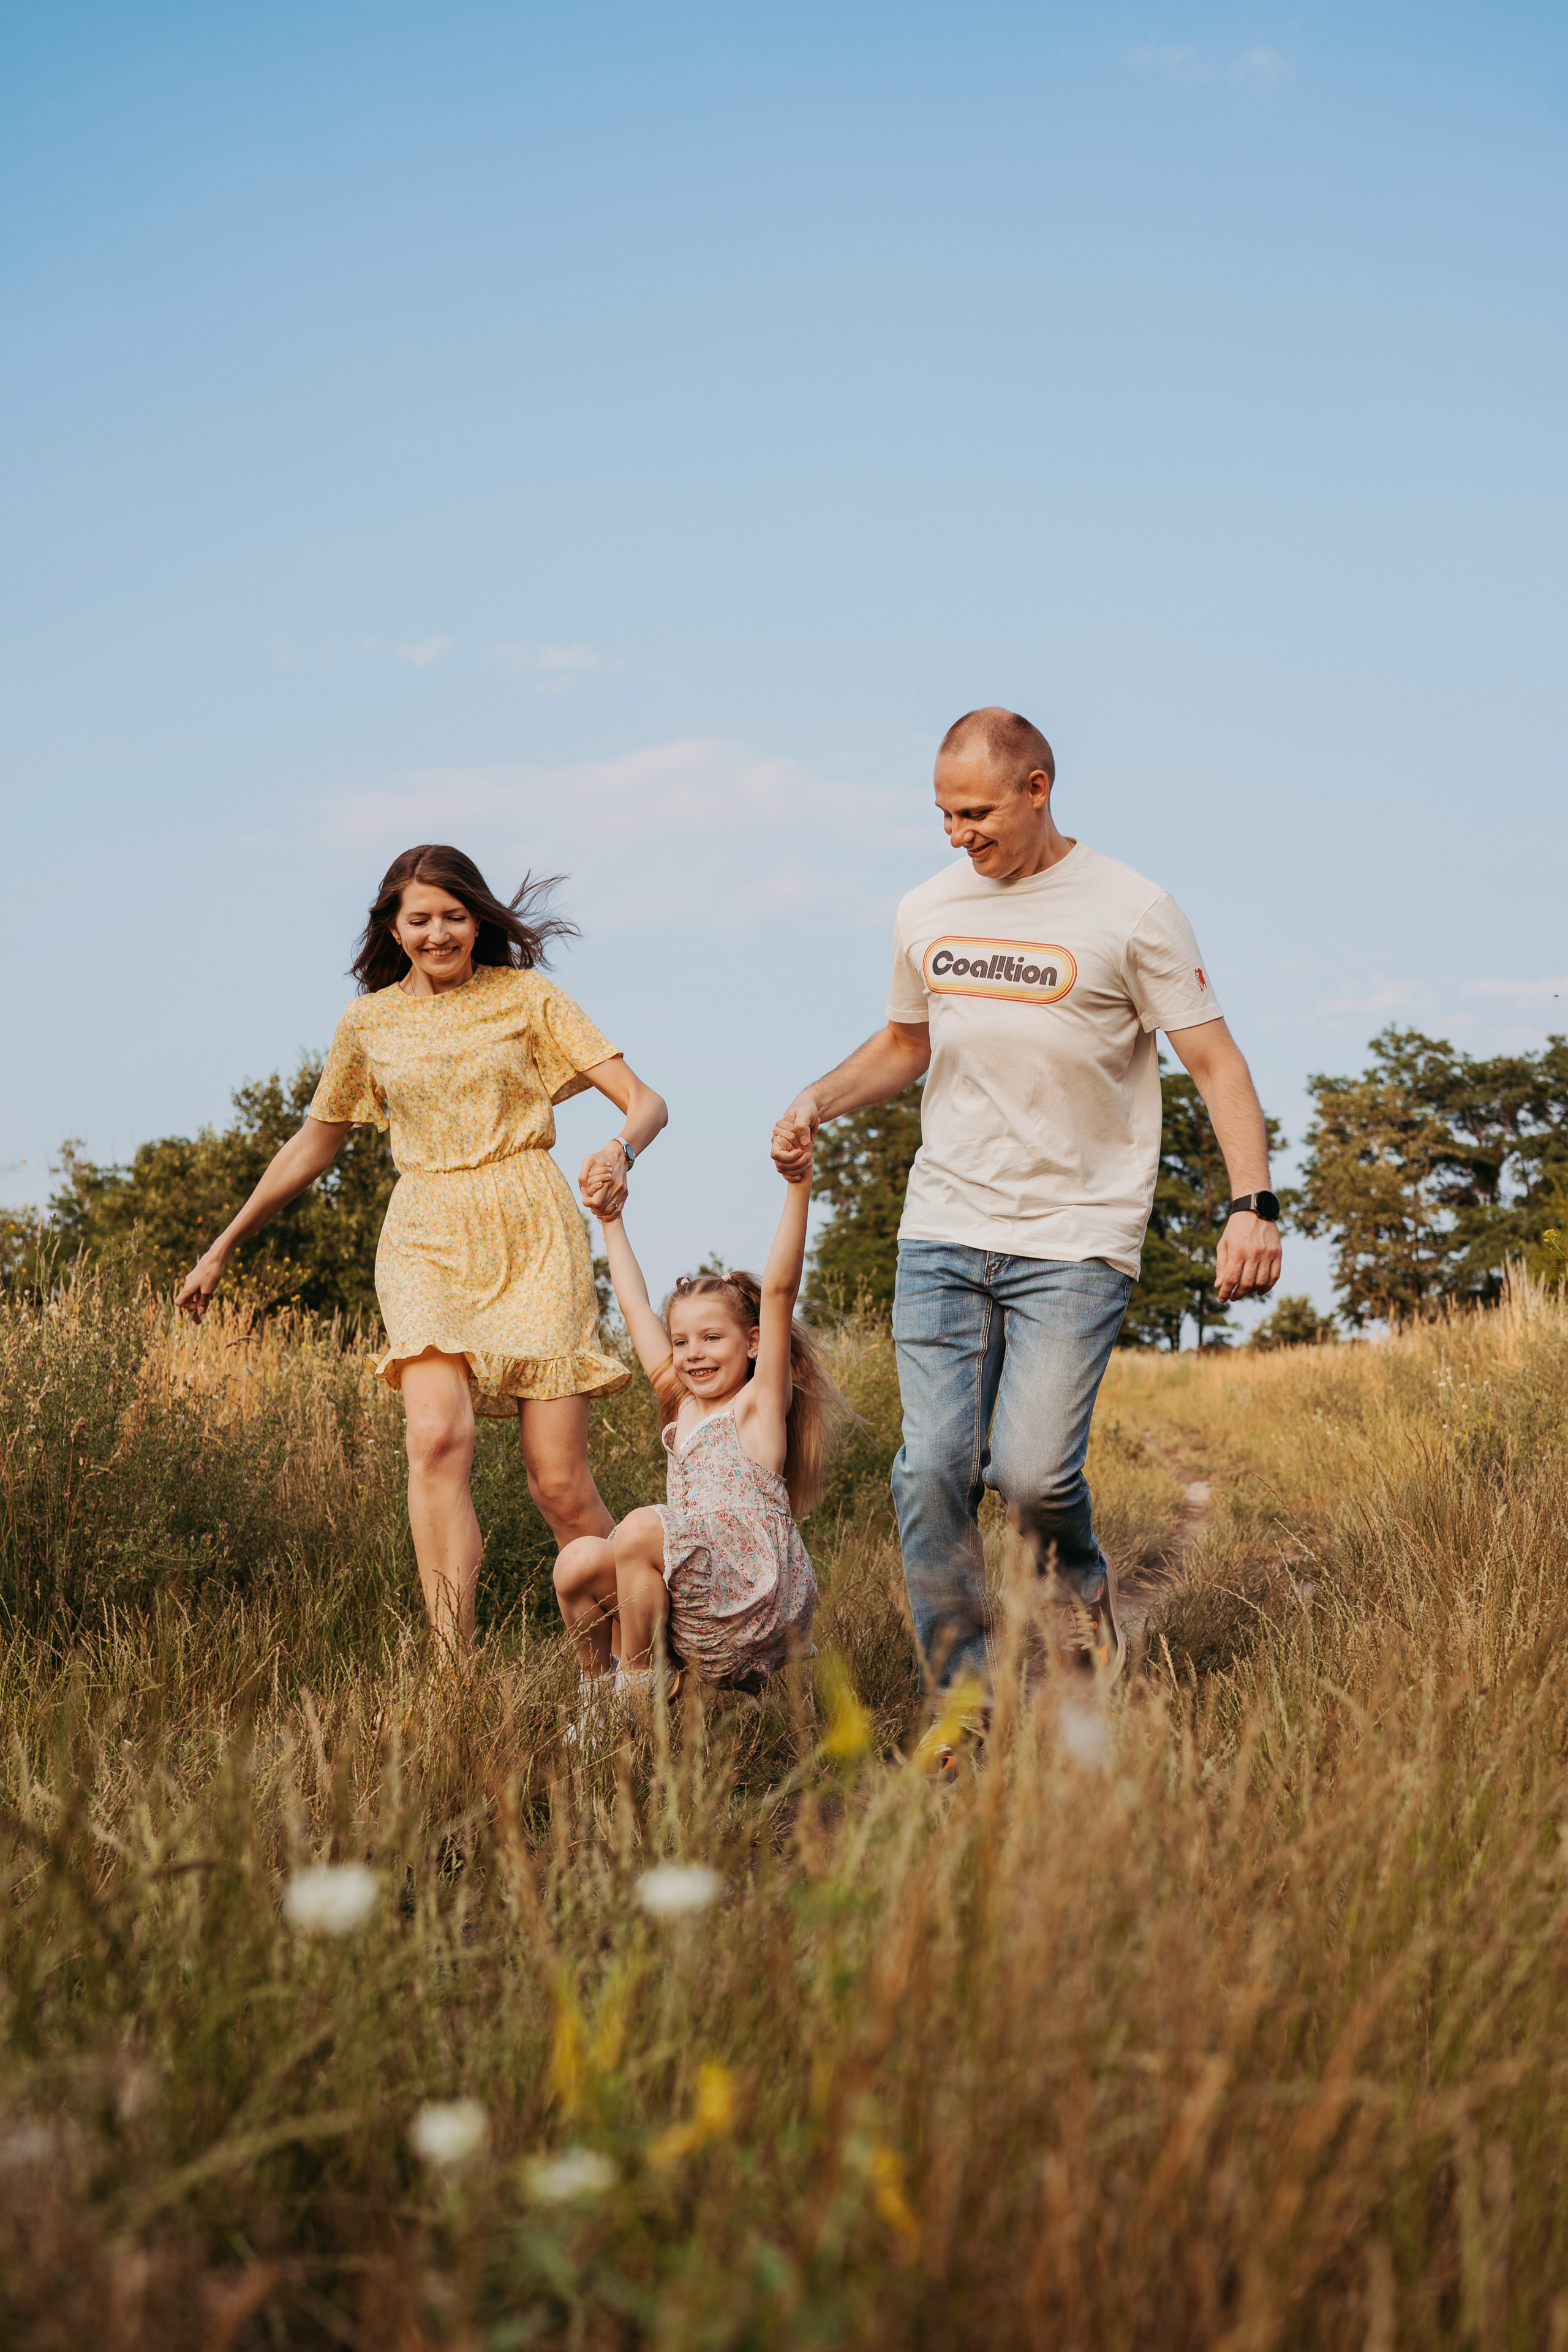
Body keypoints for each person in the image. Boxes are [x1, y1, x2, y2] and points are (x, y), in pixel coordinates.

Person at [771, 707, 1282, 1711]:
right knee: (931, 1471)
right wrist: (816, 1098)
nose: (958, 835)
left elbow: (1217, 1063)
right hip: (946, 1227)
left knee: (1036, 1474)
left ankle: (1080, 1619)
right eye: (943, 815)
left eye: (975, 812)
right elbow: (905, 1044)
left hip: (1077, 1236)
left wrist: (1252, 1206)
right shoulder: (927, 908)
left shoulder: (1132, 910)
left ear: (1037, 789)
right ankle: (961, 1692)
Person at [175, 843, 667, 1651]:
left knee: (559, 1485)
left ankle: (645, 1658)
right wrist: (224, 1244)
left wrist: (620, 1151)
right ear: (393, 928)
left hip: (530, 1224)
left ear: (477, 920)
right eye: (421, 920)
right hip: (425, 1231)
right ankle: (452, 1679)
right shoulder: (368, 1022)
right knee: (436, 1436)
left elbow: (645, 1101)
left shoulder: (528, 996)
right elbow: (314, 1142)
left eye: (455, 916)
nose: (439, 934)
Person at [552, 1140, 839, 1716]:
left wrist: (799, 1184)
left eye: (713, 1338)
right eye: (682, 1342)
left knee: (635, 1529)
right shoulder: (681, 1404)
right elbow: (635, 1309)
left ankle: (640, 1693)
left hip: (753, 1599)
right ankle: (600, 1698)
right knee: (577, 1561)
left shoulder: (760, 1405)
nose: (694, 1354)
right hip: (692, 1602)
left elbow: (779, 1290)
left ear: (753, 1343)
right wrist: (610, 1221)